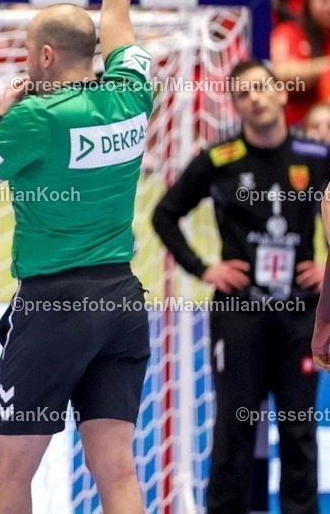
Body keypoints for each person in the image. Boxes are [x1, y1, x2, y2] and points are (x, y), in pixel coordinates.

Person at [0, 0, 151, 513]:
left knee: (8, 471)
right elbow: (116, 10)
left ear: (41, 56)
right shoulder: (130, 91)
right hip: (121, 299)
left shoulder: (34, 118)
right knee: (116, 469)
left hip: (55, 305)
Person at [153, 60, 326, 514]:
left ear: (283, 94)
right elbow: (164, 215)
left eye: (262, 89)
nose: (255, 98)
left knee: (298, 431)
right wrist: (204, 268)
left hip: (301, 316)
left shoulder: (315, 157)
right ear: (235, 105)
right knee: (235, 428)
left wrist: (328, 266)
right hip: (239, 316)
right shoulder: (218, 160)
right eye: (244, 93)